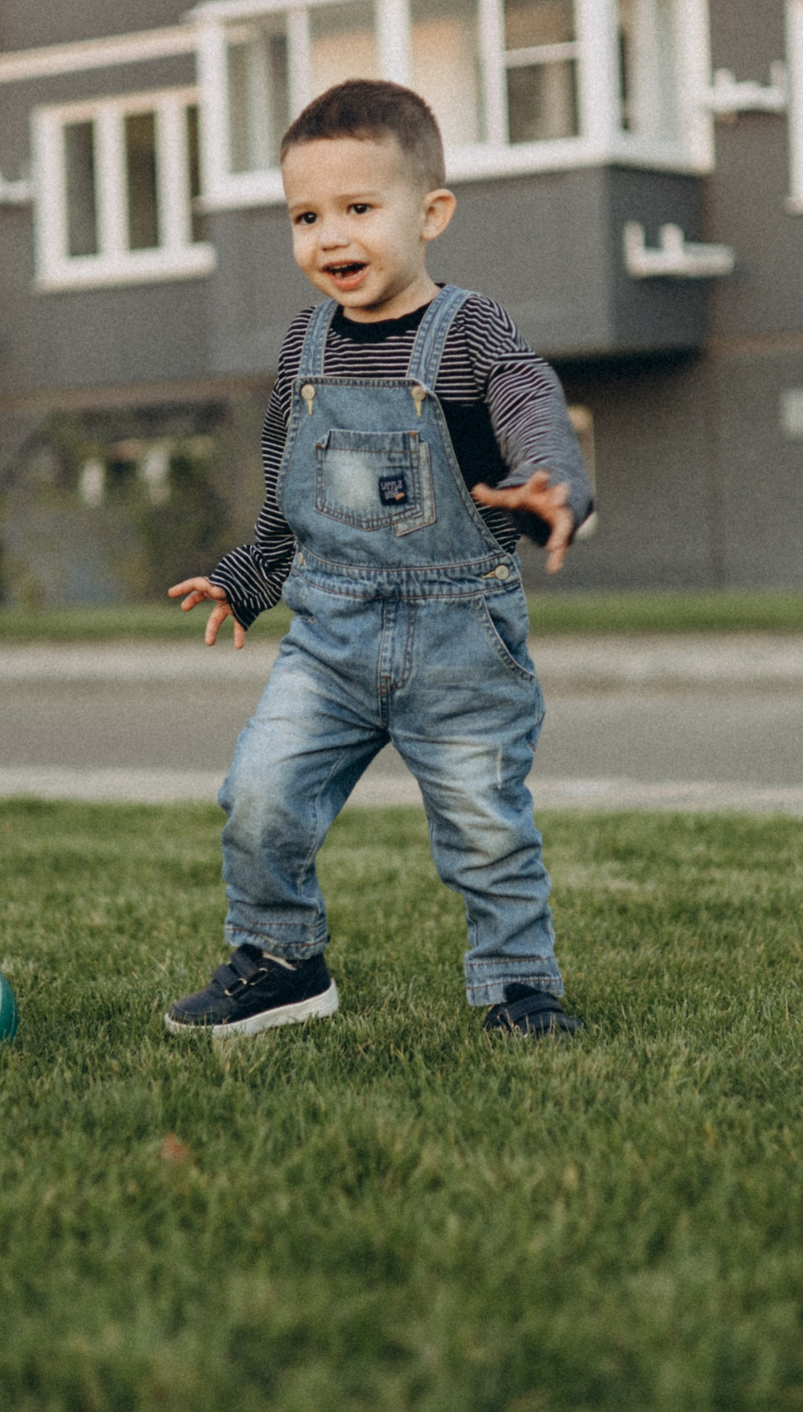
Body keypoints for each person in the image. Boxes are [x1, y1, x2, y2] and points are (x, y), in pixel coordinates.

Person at [163, 79, 594, 1041]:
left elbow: (532, 404)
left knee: (486, 824)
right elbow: (290, 495)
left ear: (430, 212)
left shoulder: (469, 333)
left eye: (359, 209)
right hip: (330, 636)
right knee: (260, 794)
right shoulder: (304, 345)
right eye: (306, 216)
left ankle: (519, 986)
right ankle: (281, 961)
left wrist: (551, 482)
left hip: (461, 639)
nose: (331, 236)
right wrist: (246, 575)